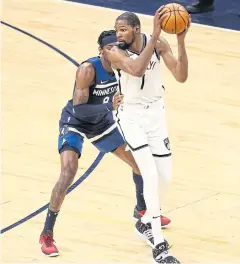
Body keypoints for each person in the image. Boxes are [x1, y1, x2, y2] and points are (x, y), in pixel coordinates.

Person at [39, 30, 170, 257]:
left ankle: (141, 211)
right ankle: (47, 232)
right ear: (101, 51)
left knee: (139, 164)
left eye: (117, 48)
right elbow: (80, 108)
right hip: (76, 122)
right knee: (68, 171)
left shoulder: (123, 67)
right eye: (109, 49)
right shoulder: (87, 70)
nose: (114, 52)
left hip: (101, 123)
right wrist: (109, 106)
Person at [104, 8, 190, 263]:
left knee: (165, 177)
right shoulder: (114, 51)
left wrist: (181, 41)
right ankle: (159, 246)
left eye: (123, 29)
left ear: (135, 29)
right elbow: (138, 69)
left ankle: (143, 222)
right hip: (130, 117)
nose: (118, 34)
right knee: (150, 176)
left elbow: (181, 76)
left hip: (156, 116)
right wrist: (154, 36)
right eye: (117, 29)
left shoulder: (159, 43)